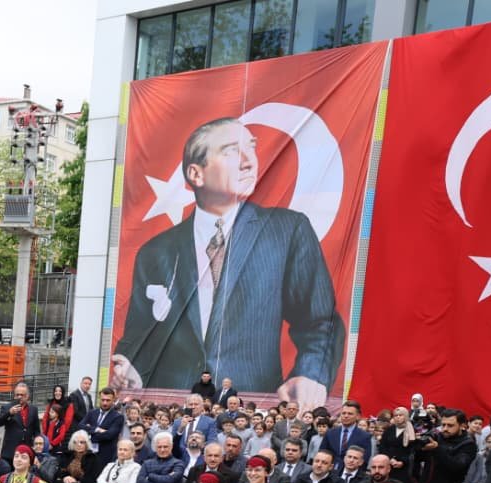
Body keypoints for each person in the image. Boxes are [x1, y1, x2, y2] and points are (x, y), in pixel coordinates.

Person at [110, 120, 343, 403]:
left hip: (251, 410)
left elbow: (321, 323)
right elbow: (139, 334)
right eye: (232, 151)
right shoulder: (155, 252)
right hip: (174, 414)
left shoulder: (287, 232)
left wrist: (310, 374)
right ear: (196, 173)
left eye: (251, 148)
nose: (248, 162)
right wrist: (129, 363)